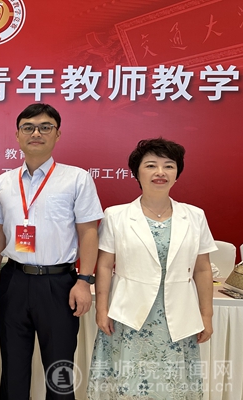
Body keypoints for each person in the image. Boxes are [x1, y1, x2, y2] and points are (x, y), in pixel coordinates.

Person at [0, 103, 104, 400]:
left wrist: (84, 280)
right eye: (28, 127)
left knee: (59, 368)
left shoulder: (76, 179)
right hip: (14, 280)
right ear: (17, 135)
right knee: (13, 365)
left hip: (59, 284)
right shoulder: (3, 182)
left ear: (57, 134)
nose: (36, 133)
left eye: (45, 127)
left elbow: (88, 232)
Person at [87, 138, 216, 399]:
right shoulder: (116, 215)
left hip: (177, 317)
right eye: (151, 165)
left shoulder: (194, 216)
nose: (160, 172)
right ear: (137, 173)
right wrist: (101, 310)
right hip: (128, 318)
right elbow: (104, 266)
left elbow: (202, 270)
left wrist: (206, 315)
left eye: (168, 166)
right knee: (128, 385)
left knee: (172, 386)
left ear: (177, 173)